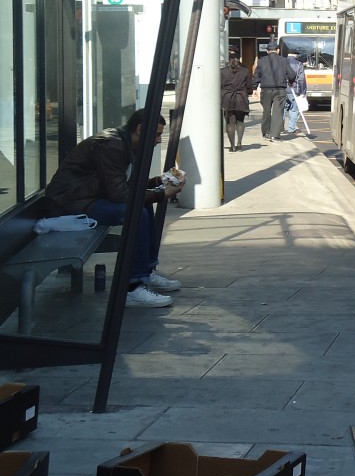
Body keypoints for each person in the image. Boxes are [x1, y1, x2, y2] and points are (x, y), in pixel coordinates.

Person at [43, 109, 186, 307]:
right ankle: (132, 287)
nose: (159, 140)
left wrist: (158, 181)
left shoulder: (122, 142)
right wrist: (162, 194)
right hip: (71, 204)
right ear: (140, 129)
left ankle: (146, 271)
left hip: (85, 198)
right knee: (137, 212)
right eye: (157, 134)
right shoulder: (113, 146)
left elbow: (120, 186)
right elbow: (121, 195)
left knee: (142, 208)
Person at [253, 40, 294, 142]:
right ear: (278, 50)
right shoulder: (284, 61)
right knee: (278, 112)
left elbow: (256, 75)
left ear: (267, 51)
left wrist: (254, 88)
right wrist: (291, 82)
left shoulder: (261, 61)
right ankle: (274, 135)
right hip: (280, 90)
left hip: (266, 90)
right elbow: (292, 74)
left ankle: (266, 132)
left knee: (266, 111)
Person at [220, 51, 254, 151]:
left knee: (230, 122)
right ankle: (239, 142)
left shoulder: (222, 71)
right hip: (241, 97)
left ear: (228, 59)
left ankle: (232, 146)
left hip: (227, 98)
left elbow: (218, 85)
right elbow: (249, 86)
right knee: (240, 121)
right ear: (239, 59)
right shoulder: (245, 71)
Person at [284, 51, 307, 135]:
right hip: (294, 89)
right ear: (296, 55)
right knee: (294, 109)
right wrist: (303, 91)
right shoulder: (298, 64)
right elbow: (301, 79)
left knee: (283, 109)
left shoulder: (282, 62)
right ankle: (291, 128)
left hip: (283, 89)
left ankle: (280, 127)